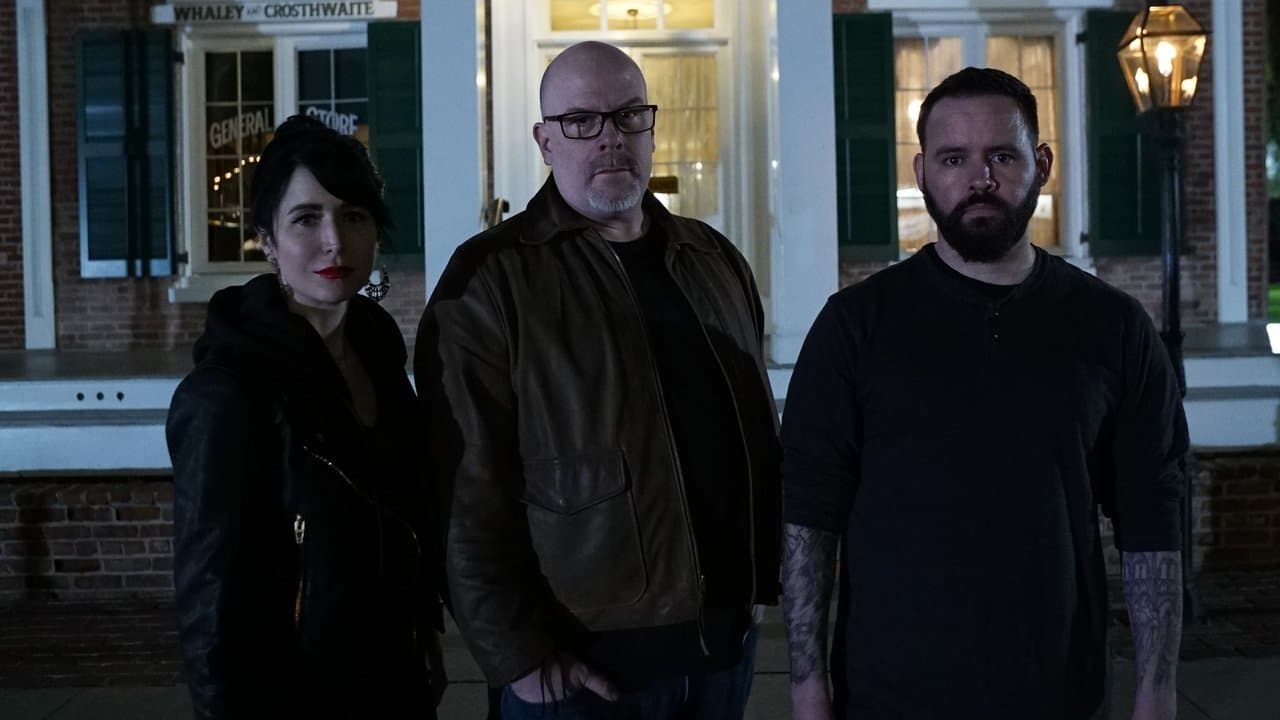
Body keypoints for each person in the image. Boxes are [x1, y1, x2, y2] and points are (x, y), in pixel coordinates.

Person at [781, 67, 1188, 720]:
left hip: (1058, 696)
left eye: (1002, 155)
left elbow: (1153, 513)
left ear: (1042, 164)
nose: (980, 179)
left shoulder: (1112, 326)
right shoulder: (855, 326)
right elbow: (808, 514)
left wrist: (1157, 691)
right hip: (889, 697)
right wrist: (807, 690)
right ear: (921, 172)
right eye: (954, 159)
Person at [416, 40, 781, 720]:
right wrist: (517, 656)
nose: (610, 137)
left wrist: (764, 580)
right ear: (545, 142)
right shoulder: (489, 280)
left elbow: (757, 436)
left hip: (723, 652)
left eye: (628, 115)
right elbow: (460, 492)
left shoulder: (713, 259)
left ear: (651, 127)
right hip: (578, 671)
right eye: (581, 120)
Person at [167, 115, 447, 719]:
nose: (334, 241)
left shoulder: (381, 360)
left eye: (353, 216)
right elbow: (212, 607)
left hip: (397, 685)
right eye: (306, 218)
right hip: (294, 698)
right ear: (266, 239)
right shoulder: (229, 392)